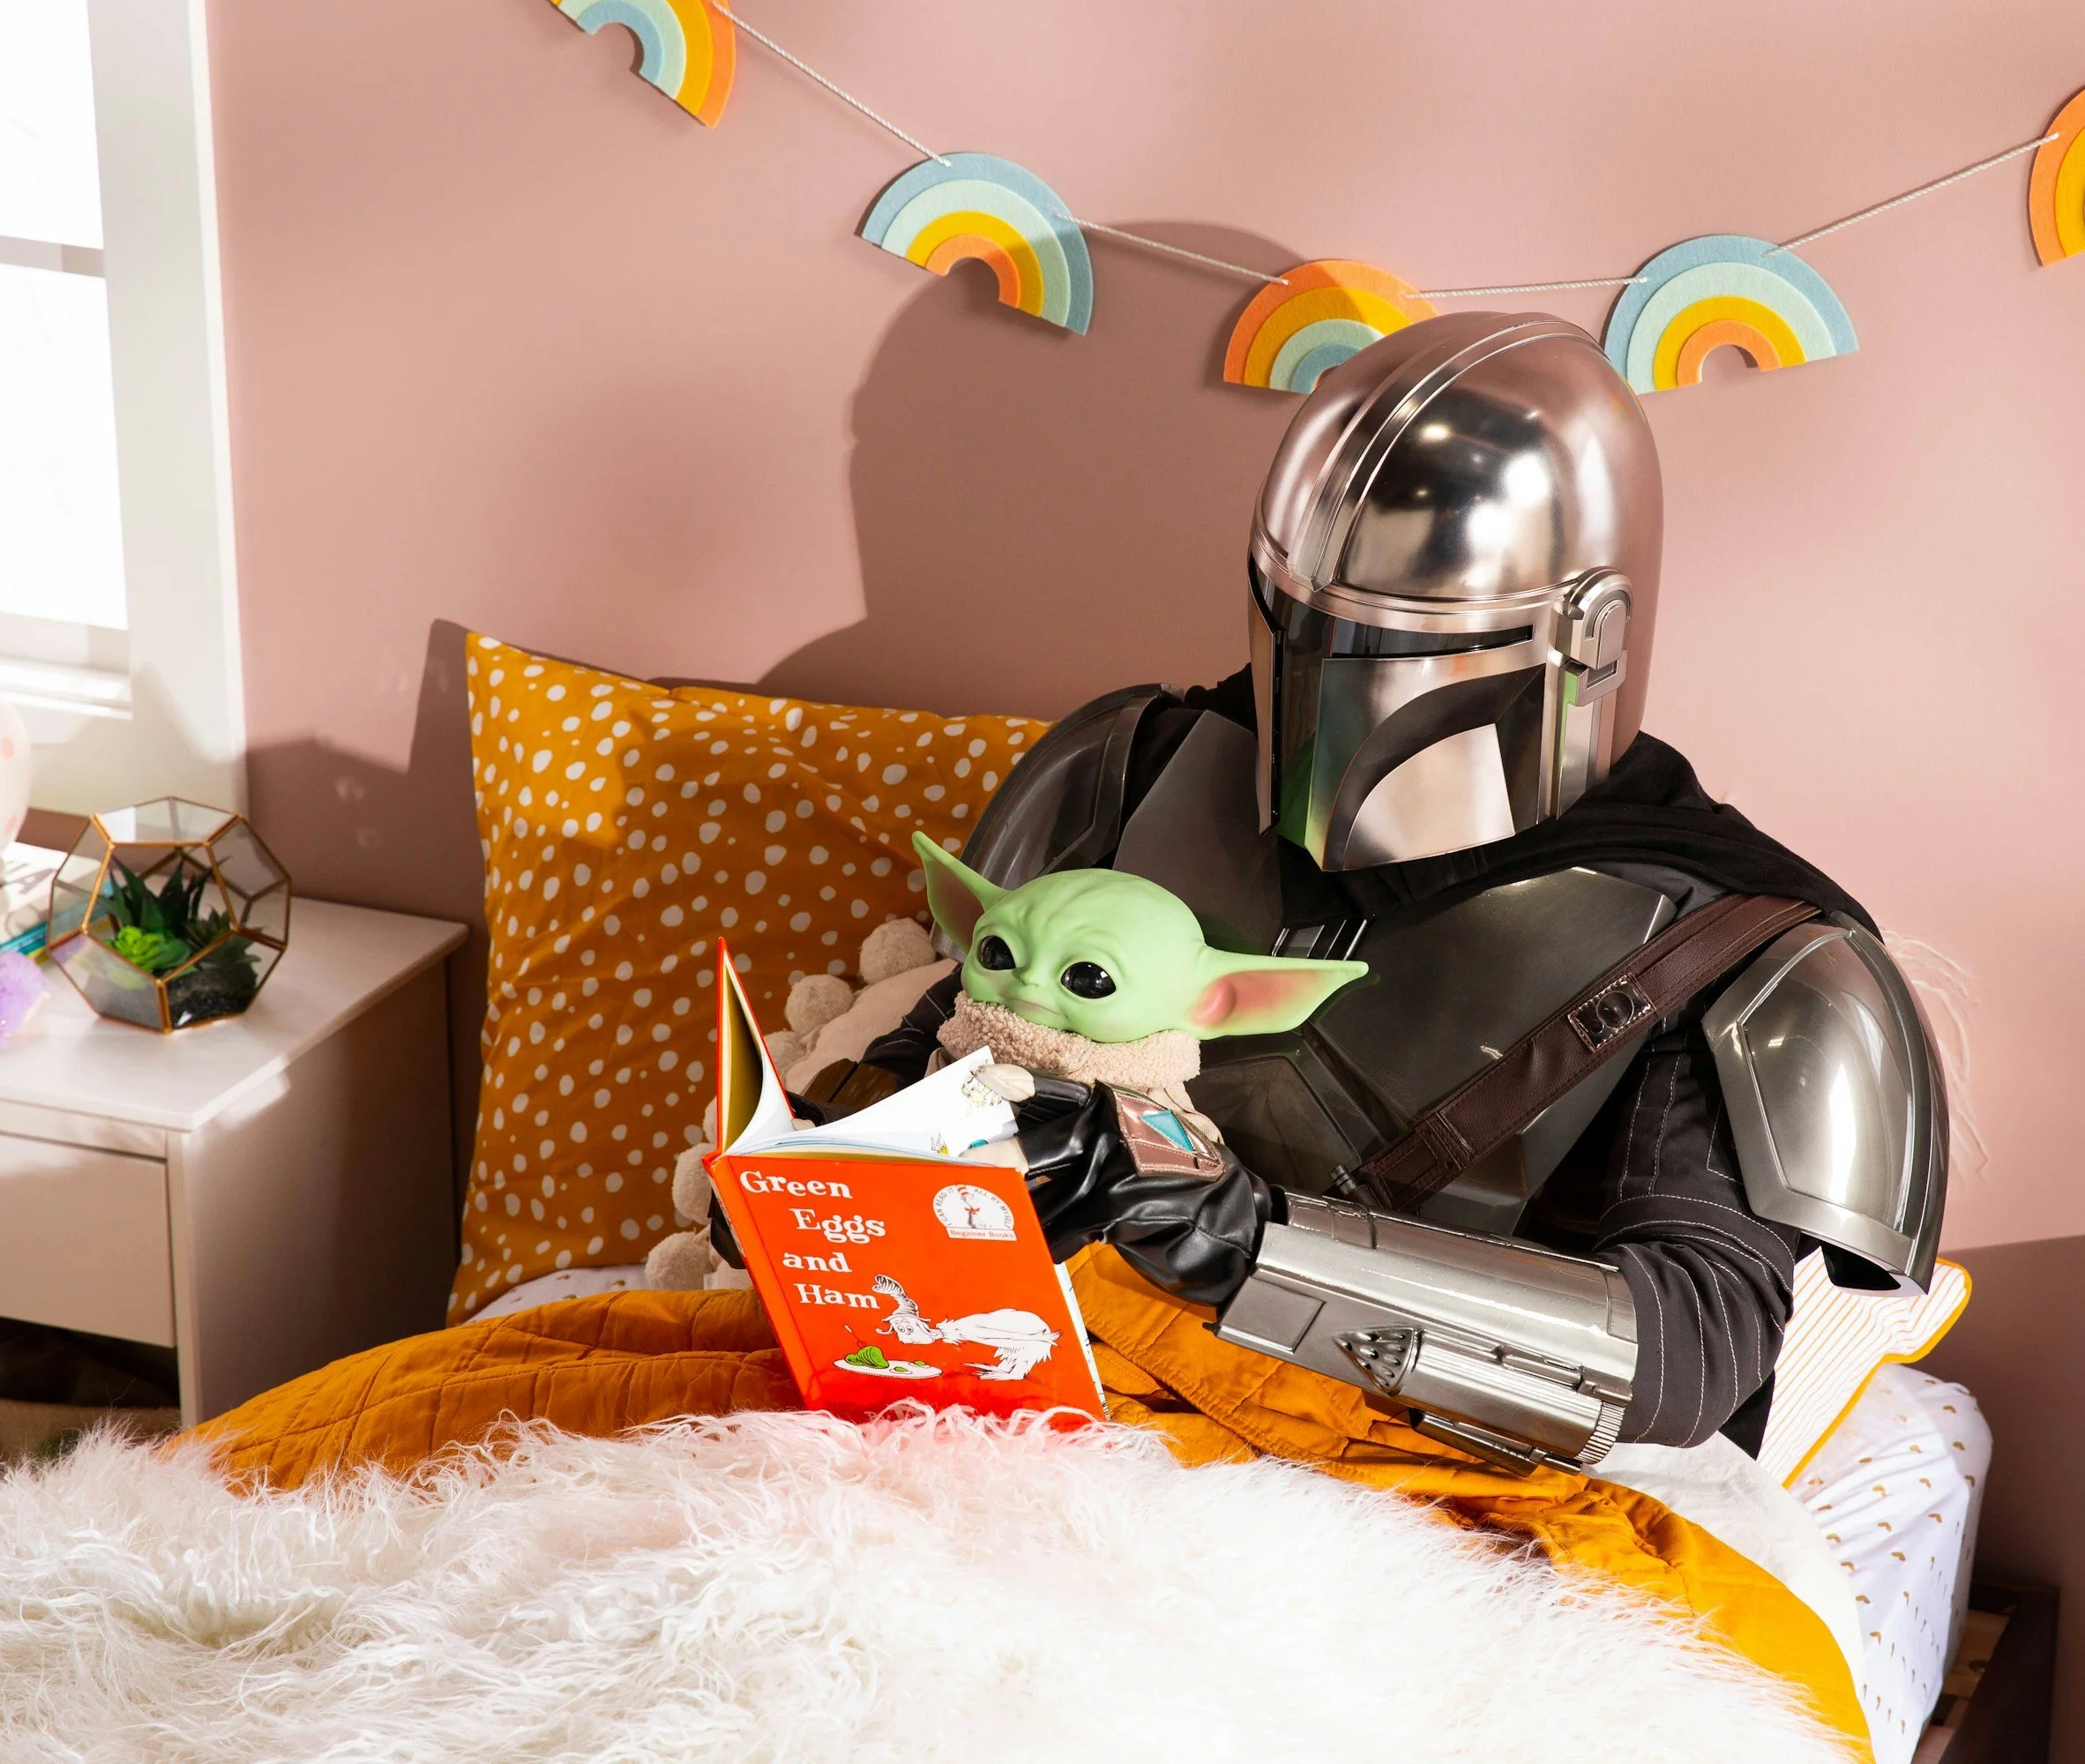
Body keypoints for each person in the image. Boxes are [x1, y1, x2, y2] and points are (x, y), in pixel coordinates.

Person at [810, 311, 1946, 1473]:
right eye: (1301, 625)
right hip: (1022, 1383)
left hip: (1404, 1467)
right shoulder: (1133, 767)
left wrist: (1248, 1239)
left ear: (1589, 640)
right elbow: (948, 1030)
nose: (1329, 693)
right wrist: (825, 1173)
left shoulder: (1749, 951)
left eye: (1396, 644)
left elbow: (1693, 1348)